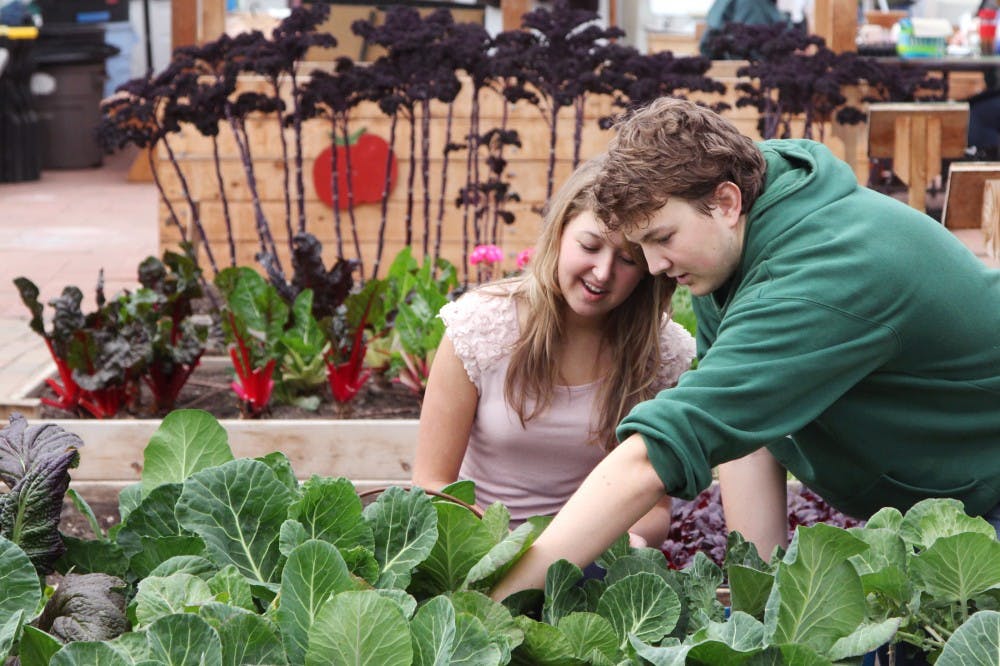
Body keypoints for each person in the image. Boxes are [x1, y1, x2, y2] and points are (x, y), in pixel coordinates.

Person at [490, 96, 1000, 600]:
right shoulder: (732, 243)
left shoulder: (819, 277)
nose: (654, 266)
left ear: (727, 201)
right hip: (948, 509)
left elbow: (657, 454)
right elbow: (740, 435)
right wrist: (758, 611)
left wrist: (501, 598)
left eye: (662, 237)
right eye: (641, 246)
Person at [411, 155, 696, 550]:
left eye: (627, 259)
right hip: (481, 554)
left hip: (594, 560)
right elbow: (432, 484)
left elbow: (653, 510)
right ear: (559, 234)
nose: (602, 272)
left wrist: (594, 548)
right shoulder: (478, 325)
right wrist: (507, 551)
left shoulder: (663, 353)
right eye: (590, 246)